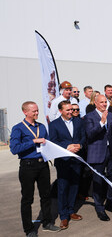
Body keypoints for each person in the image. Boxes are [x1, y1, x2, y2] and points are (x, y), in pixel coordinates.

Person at [10, 101, 60, 236]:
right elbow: (14, 149)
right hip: (28, 166)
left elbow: (48, 144)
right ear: (25, 112)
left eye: (37, 111)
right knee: (27, 198)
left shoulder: (42, 127)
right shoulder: (18, 128)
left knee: (46, 195)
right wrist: (33, 141)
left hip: (42, 165)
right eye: (34, 111)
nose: (37, 113)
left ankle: (47, 223)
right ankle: (29, 229)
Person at [84, 95, 112, 221]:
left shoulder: (111, 115)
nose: (104, 104)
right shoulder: (89, 117)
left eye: (105, 102)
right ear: (95, 103)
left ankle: (110, 203)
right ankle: (99, 208)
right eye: (101, 102)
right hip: (98, 152)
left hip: (111, 152)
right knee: (98, 181)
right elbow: (90, 135)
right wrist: (101, 123)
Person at [49, 101, 86, 230]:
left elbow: (83, 137)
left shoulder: (78, 122)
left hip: (76, 160)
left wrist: (80, 145)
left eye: (72, 109)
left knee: (74, 186)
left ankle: (71, 210)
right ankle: (64, 216)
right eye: (68, 110)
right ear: (60, 111)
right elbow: (53, 141)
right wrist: (67, 147)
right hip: (63, 161)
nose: (71, 112)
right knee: (63, 188)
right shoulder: (54, 125)